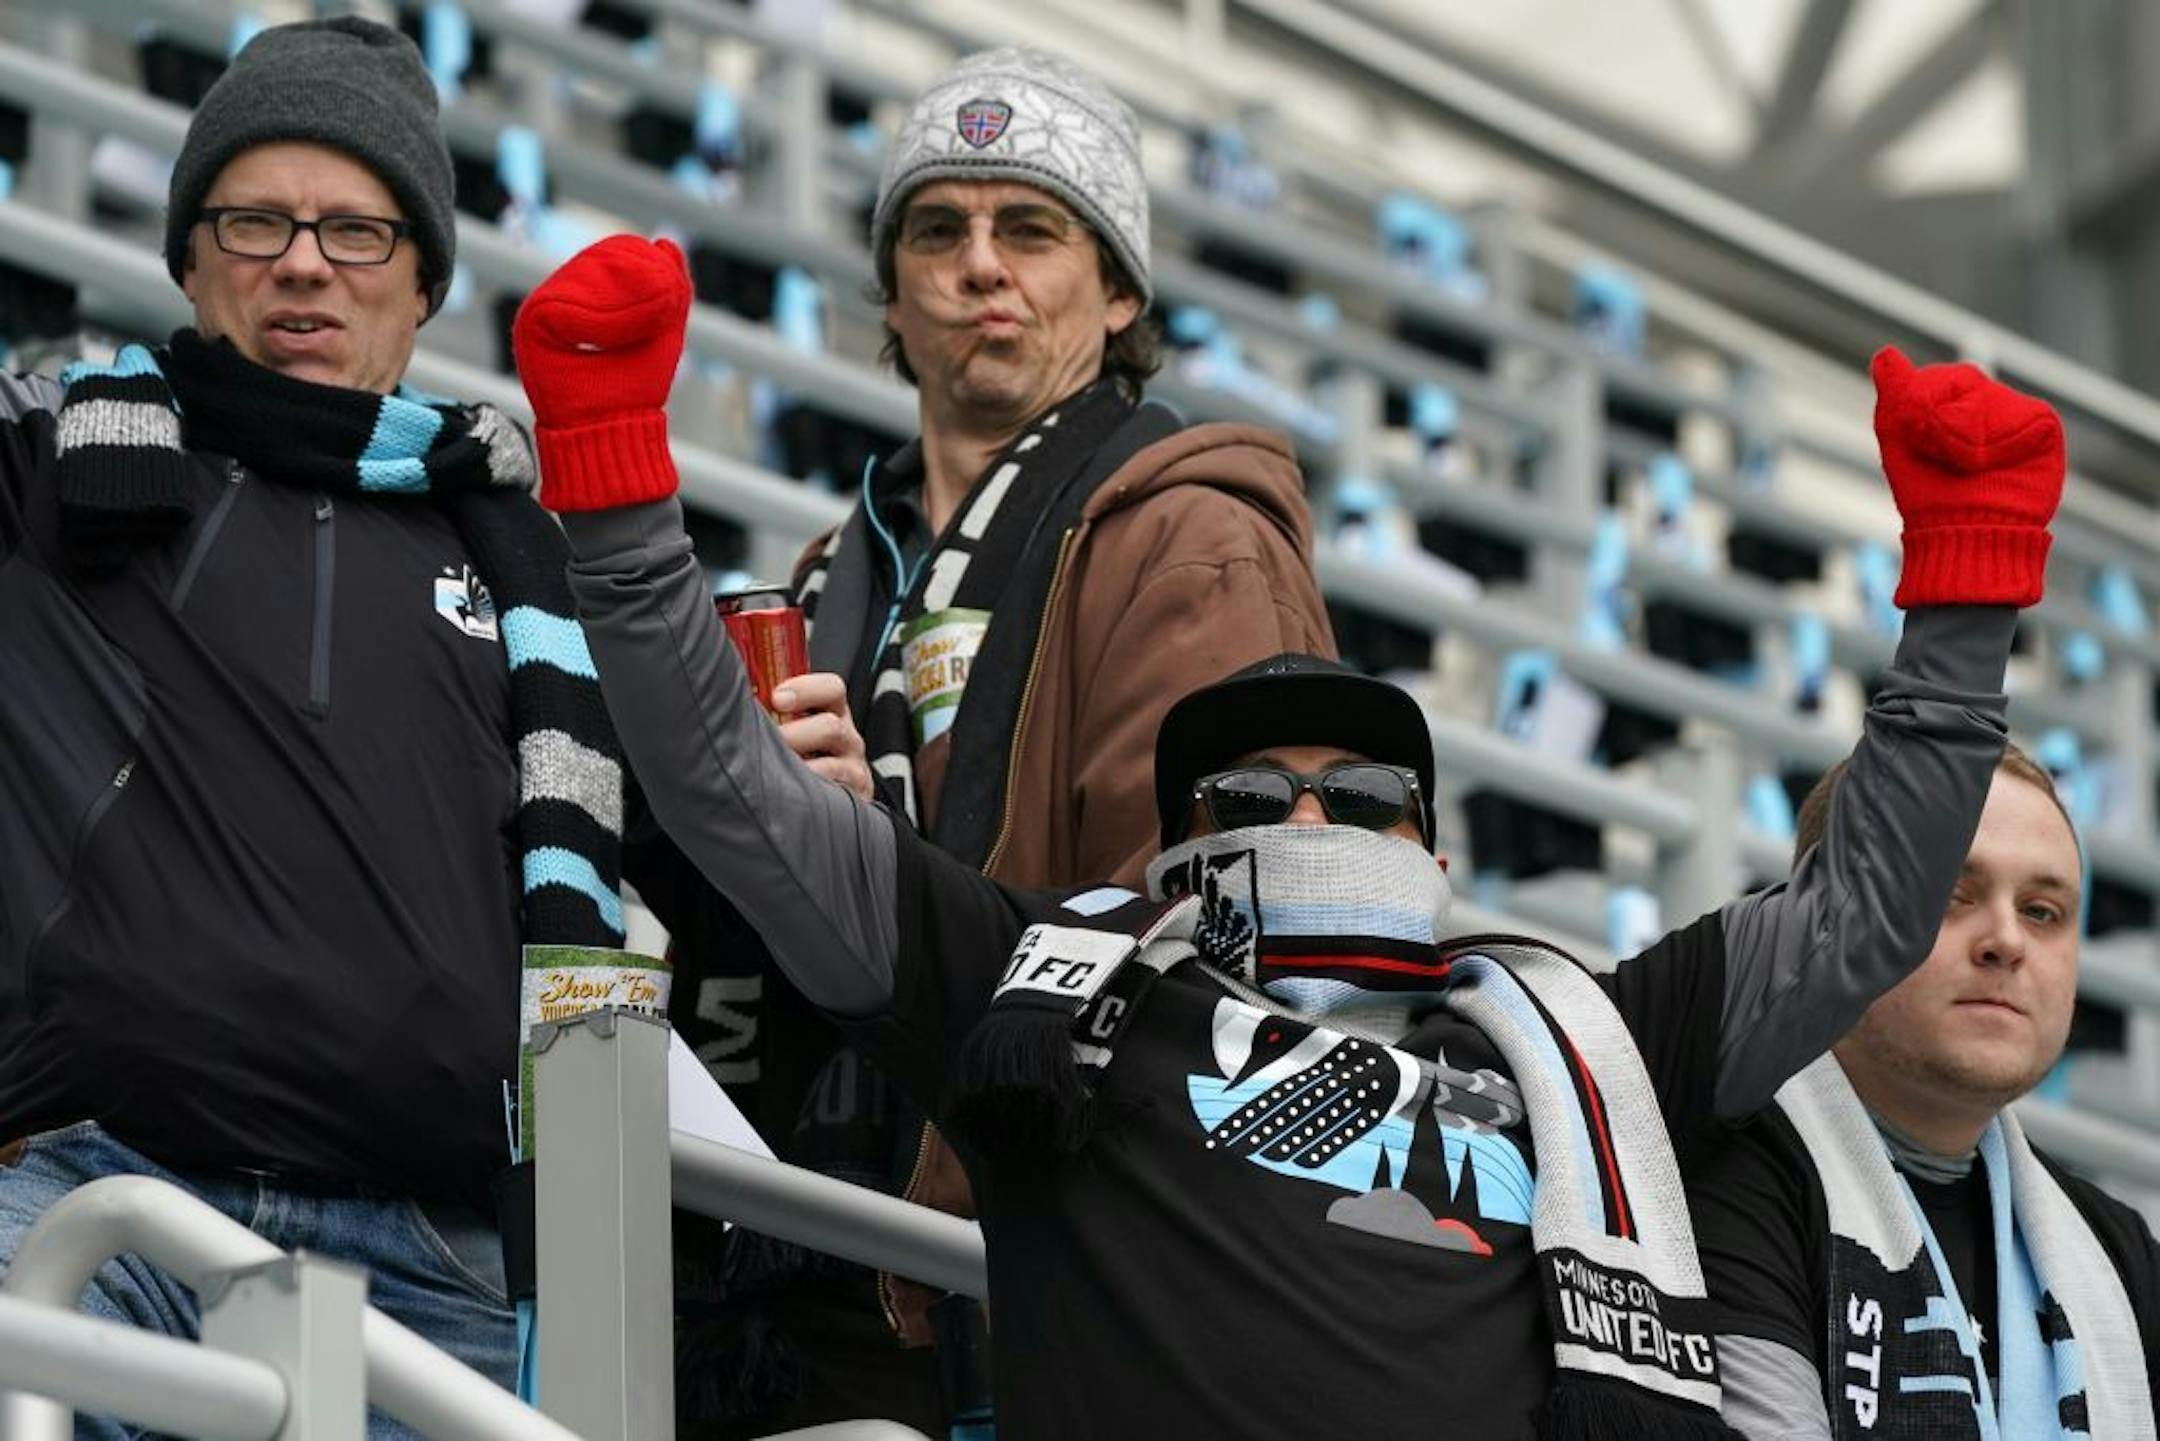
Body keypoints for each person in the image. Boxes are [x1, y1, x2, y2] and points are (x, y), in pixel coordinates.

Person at [518, 232, 2063, 1436]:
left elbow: (1865, 915)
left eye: (1364, 793)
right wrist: (613, 486)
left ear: (1436, 855)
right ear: (1177, 848)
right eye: (1253, 800)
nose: (1312, 814)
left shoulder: (1587, 1045)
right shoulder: (1055, 999)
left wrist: (1967, 587)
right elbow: (734, 792)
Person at [634, 44, 1334, 1434]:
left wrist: (867, 871)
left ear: (1118, 288)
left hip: (1047, 1264)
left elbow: (1227, 921)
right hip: (820, 1240)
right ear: (891, 294)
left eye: (1031, 228)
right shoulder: (838, 569)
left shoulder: (1192, 536)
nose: (979, 265)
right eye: (936, 230)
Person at [0, 19, 626, 1437]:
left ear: (420, 289)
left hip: (440, 1256)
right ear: (187, 256)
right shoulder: (49, 469)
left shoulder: (538, 569)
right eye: (255, 218)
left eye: (354, 231)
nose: (301, 261)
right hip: (98, 1197)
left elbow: (724, 837)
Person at [1694, 743, 2160, 1439]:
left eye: (2041, 911)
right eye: (1948, 893)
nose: (2006, 938)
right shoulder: (1713, 1168)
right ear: (1818, 920)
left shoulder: (2118, 1250)